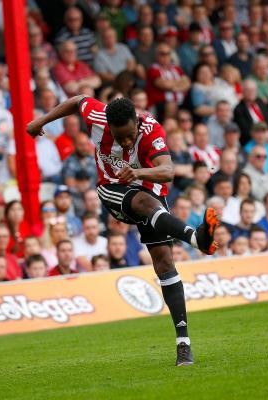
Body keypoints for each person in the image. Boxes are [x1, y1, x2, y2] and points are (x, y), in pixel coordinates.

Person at [27, 94, 220, 366]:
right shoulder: (96, 116)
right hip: (111, 189)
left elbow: (167, 170)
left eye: (130, 135)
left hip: (150, 190)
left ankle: (183, 346)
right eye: (120, 137)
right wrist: (42, 120)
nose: (126, 142)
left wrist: (139, 173)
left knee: (165, 264)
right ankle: (195, 237)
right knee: (141, 202)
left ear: (137, 123)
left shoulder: (151, 128)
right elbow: (78, 100)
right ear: (109, 125)